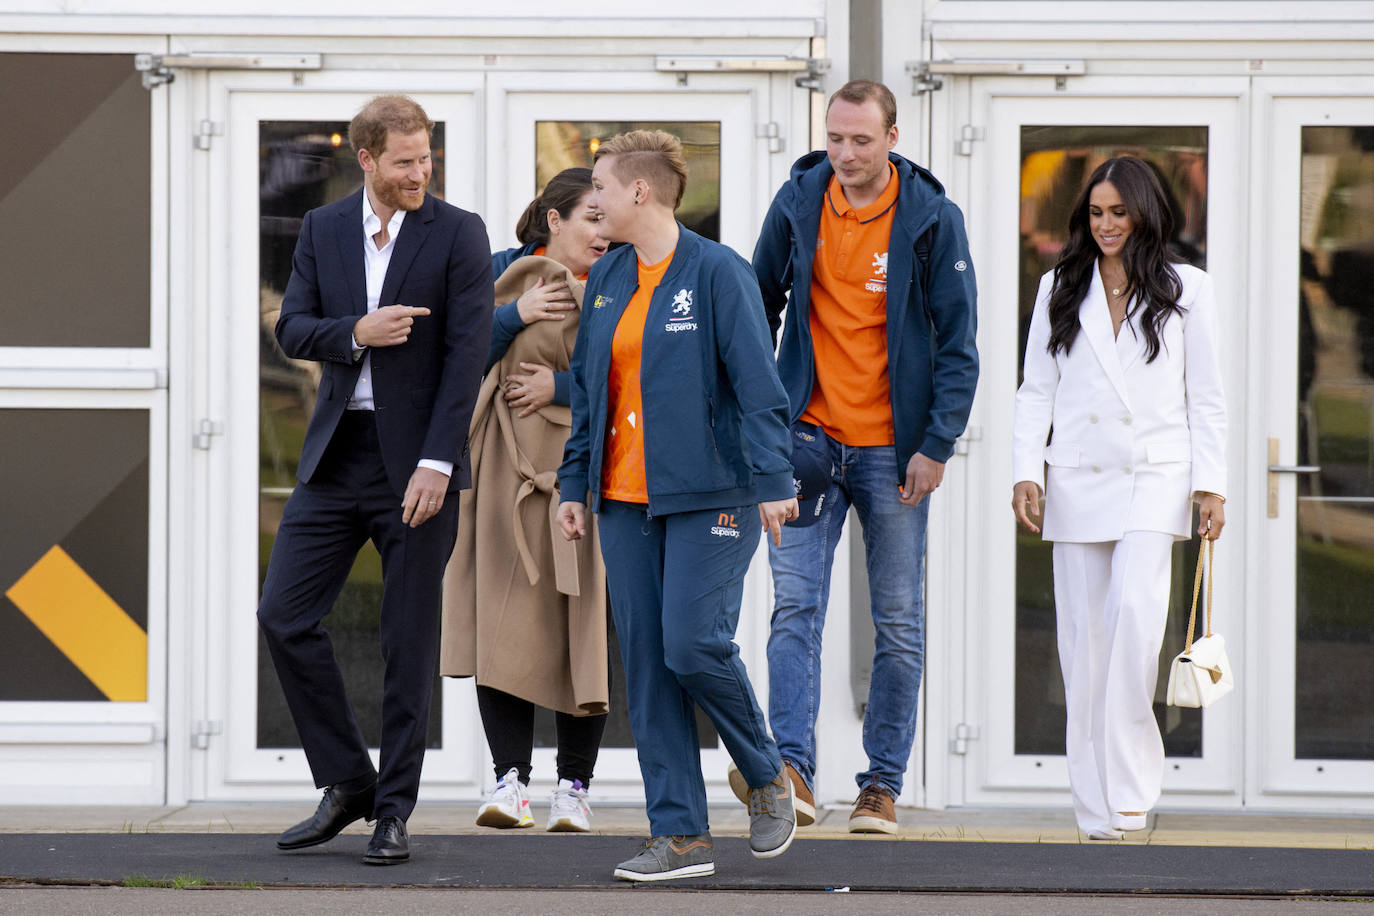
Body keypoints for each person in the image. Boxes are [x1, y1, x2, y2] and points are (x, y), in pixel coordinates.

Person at [556, 129, 799, 881]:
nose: (590, 200)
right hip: (623, 502)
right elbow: (592, 392)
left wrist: (774, 482)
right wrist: (575, 484)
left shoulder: (719, 273)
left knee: (692, 644)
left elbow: (759, 387)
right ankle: (682, 838)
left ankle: (765, 774)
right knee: (651, 668)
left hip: (712, 496)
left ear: (639, 191)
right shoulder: (606, 278)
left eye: (599, 186)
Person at [257, 95, 493, 865]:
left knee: (405, 641)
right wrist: (353, 333)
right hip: (335, 456)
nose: (420, 172)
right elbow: (291, 327)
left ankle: (393, 811)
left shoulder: (458, 232)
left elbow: (467, 355)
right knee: (283, 615)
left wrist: (437, 462)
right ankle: (349, 781)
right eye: (404, 162)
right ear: (366, 160)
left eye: (426, 158)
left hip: (417, 462)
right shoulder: (324, 230)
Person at [748, 79, 979, 834]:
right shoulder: (799, 201)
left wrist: (935, 444)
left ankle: (880, 786)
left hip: (893, 452)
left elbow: (958, 346)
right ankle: (792, 774)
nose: (845, 154)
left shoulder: (933, 219)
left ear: (893, 137)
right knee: (794, 610)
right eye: (836, 137)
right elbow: (758, 304)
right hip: (808, 443)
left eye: (861, 140)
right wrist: (766, 420)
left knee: (899, 623)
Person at [1011, 155, 1227, 840]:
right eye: (1096, 214)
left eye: (1118, 212)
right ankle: (1094, 803)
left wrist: (1211, 483)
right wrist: (1027, 471)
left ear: (1144, 213)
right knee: (1084, 644)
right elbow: (1035, 390)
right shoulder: (1058, 286)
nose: (1106, 225)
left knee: (1135, 624)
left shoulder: (1188, 289)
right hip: (1075, 476)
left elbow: (1208, 395)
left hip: (1155, 475)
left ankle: (1133, 788)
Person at [440, 168, 610, 833]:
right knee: (503, 620)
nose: (604, 230)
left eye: (609, 217)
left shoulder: (627, 283)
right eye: (591, 217)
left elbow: (644, 378)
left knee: (580, 625)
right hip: (505, 474)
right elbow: (452, 362)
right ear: (554, 219)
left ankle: (575, 788)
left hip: (586, 477)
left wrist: (561, 390)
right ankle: (509, 782)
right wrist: (516, 316)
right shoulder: (504, 272)